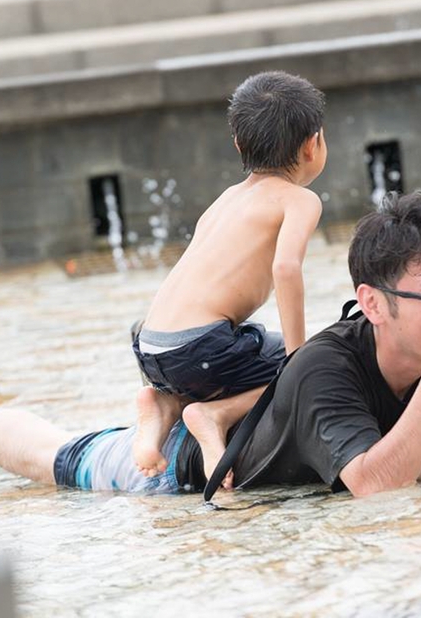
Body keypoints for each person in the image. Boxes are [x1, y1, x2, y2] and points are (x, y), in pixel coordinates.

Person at [0, 191, 421, 495]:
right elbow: (375, 483)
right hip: (180, 472)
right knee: (57, 457)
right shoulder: (332, 364)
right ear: (372, 301)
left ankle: (169, 404)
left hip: (250, 442)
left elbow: (413, 459)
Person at [129, 70, 326, 488]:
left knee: (242, 343)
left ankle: (164, 404)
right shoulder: (300, 200)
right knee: (304, 364)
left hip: (151, 347)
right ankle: (212, 415)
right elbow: (286, 269)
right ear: (313, 145)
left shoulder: (226, 199)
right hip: (201, 347)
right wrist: (297, 357)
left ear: (238, 144)